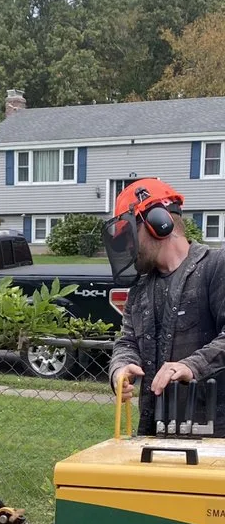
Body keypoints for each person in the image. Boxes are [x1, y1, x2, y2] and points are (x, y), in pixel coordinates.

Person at [105, 178, 225, 436]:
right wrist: (121, 369)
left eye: (128, 235)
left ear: (160, 223)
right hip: (154, 434)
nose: (126, 246)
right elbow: (127, 342)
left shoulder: (216, 267)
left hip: (215, 438)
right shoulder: (140, 287)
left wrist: (191, 365)